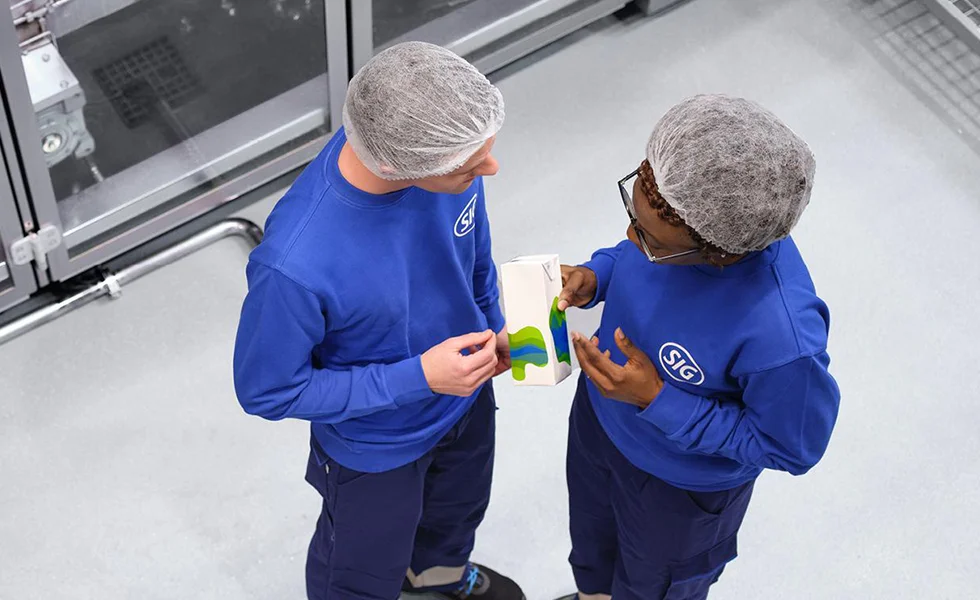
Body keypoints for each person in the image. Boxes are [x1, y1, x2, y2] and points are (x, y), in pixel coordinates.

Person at [233, 41, 525, 600]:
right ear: (395, 165)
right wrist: (419, 378)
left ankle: (437, 578)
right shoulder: (294, 265)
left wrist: (494, 328)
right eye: (471, 167)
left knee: (454, 516)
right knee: (362, 571)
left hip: (465, 401)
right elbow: (267, 392)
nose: (490, 168)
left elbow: (473, 258)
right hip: (377, 448)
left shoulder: (439, 150)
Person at [554, 95, 841, 600]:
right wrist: (596, 275)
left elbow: (790, 448)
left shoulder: (780, 335)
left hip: (678, 491)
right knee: (592, 552)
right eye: (633, 215)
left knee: (652, 587)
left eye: (650, 239)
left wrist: (659, 401)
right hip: (599, 428)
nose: (629, 235)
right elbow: (630, 255)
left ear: (720, 253)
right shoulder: (675, 220)